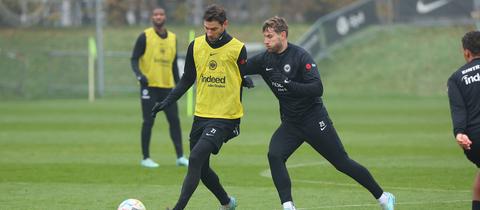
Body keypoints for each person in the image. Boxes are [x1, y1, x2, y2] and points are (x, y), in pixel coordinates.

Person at [244, 16, 395, 210]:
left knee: (342, 163)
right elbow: (238, 67)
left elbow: (317, 88)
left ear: (283, 35)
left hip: (314, 120)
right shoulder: (264, 59)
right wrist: (242, 78)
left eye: (270, 36)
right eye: (264, 36)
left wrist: (286, 83)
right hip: (291, 124)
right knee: (275, 155)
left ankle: (383, 197)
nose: (266, 41)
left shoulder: (300, 56)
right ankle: (288, 206)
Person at [151, 4, 252, 210]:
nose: (209, 33)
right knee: (202, 168)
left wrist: (245, 79)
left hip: (225, 117)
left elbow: (243, 71)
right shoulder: (195, 46)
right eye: (206, 28)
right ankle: (227, 203)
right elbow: (187, 78)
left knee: (195, 158)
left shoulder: (237, 48)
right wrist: (168, 101)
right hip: (201, 115)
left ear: (225, 25)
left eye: (213, 29)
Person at [130, 7, 188, 168]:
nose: (158, 17)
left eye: (161, 14)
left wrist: (179, 85)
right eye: (155, 14)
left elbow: (174, 63)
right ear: (152, 17)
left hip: (167, 87)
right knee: (148, 121)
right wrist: (140, 76)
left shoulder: (173, 38)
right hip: (149, 87)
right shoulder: (145, 36)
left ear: (165, 17)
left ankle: (180, 157)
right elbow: (134, 59)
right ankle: (146, 158)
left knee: (174, 121)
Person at [447, 31, 480, 210]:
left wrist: (459, 133)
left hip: (474, 141)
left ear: (466, 52)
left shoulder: (457, 77)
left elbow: (458, 111)